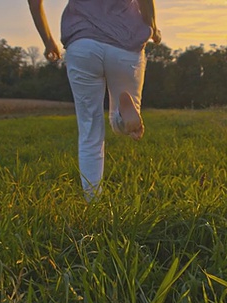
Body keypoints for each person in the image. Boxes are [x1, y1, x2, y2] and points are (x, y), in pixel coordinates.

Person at [28, 0, 161, 201]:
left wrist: (48, 41)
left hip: (83, 44)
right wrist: (153, 26)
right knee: (126, 127)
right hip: (125, 43)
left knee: (90, 129)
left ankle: (93, 202)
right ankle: (122, 116)